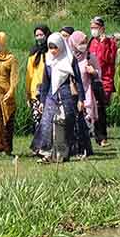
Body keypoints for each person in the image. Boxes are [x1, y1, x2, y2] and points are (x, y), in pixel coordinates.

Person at [32, 33, 86, 162]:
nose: (53, 51)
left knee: (63, 124)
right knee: (47, 123)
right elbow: (45, 82)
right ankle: (47, 153)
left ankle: (61, 154)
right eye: (50, 48)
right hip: (51, 96)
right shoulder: (48, 60)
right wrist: (42, 101)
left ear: (61, 46)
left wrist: (81, 99)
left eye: (55, 47)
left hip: (67, 96)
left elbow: (78, 80)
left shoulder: (70, 60)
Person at [88, 16, 117, 147]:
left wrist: (103, 44)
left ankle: (102, 137)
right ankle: (92, 133)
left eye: (96, 27)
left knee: (101, 108)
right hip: (91, 79)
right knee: (91, 107)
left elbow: (107, 59)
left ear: (102, 29)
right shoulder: (90, 42)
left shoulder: (110, 43)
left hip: (104, 79)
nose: (93, 30)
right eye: (92, 27)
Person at [68, 31, 98, 158]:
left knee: (84, 123)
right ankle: (74, 148)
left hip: (87, 93)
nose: (83, 45)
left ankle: (84, 148)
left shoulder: (90, 57)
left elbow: (99, 73)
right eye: (81, 43)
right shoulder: (68, 58)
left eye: (85, 42)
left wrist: (93, 72)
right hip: (72, 94)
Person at [25, 25, 51, 132]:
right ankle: (38, 141)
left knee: (49, 120)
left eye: (41, 34)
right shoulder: (33, 52)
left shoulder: (52, 51)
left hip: (49, 90)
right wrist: (28, 94)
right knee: (38, 120)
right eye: (37, 35)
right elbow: (29, 74)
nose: (39, 37)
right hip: (35, 92)